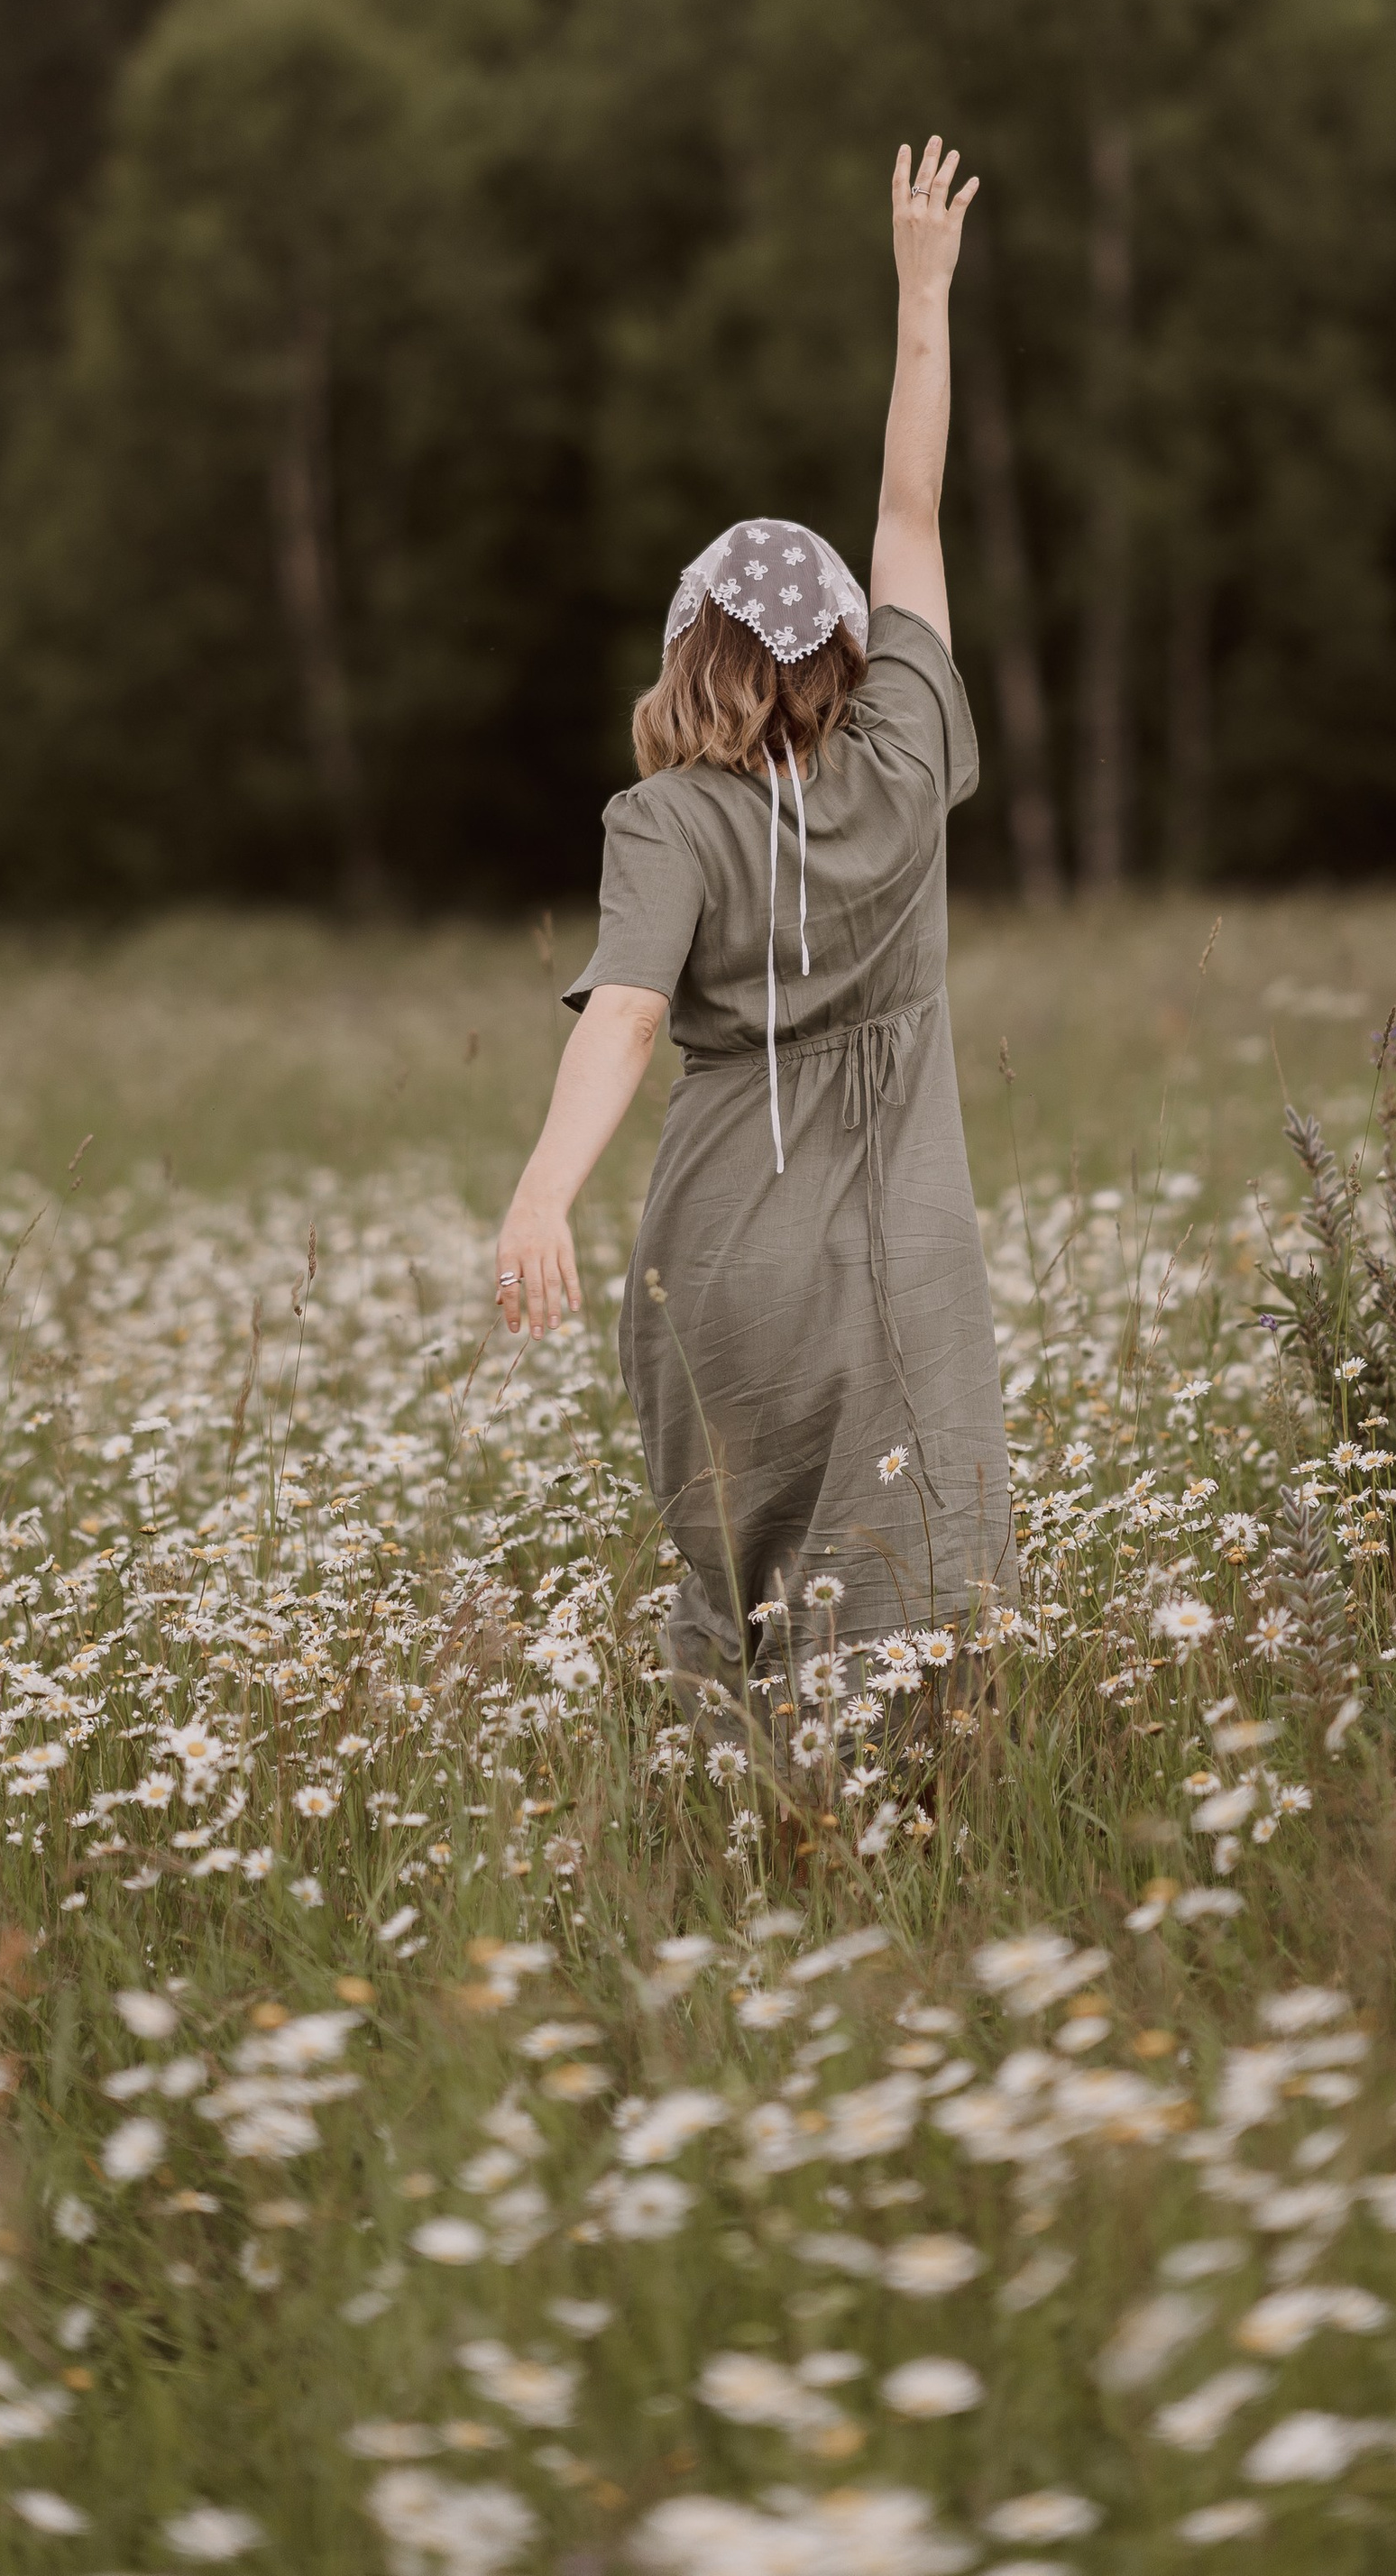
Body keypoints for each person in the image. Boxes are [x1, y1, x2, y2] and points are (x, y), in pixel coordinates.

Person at [493, 135, 1018, 1709]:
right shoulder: (909, 755)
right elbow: (911, 502)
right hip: (904, 1252)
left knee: (735, 1602)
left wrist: (542, 1193)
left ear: (686, 656)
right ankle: (890, 1821)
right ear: (849, 649)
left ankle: (722, 1814)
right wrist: (923, 292)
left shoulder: (662, 819)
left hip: (724, 1252)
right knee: (914, 1599)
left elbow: (629, 1016)